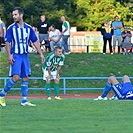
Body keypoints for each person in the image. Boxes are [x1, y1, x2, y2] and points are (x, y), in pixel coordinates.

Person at [0, 7, 45, 107]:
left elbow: (35, 41)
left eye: (15, 15)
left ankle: (24, 101)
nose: (14, 17)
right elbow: (7, 42)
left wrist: (41, 54)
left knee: (25, 77)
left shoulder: (28, 28)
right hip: (16, 55)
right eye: (13, 15)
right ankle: (2, 94)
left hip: (25, 56)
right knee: (15, 78)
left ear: (21, 15)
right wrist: (9, 56)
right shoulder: (11, 28)